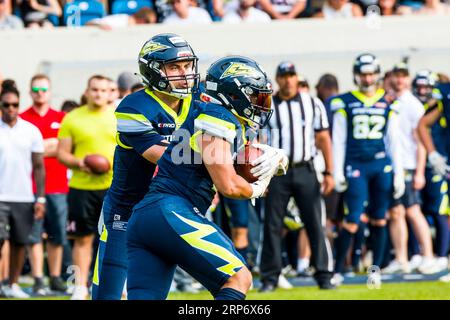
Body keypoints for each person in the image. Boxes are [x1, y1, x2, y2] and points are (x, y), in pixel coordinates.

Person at [126, 55, 288, 300]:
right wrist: (257, 188)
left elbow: (238, 160)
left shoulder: (212, 114)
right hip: (172, 210)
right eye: (255, 95)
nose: (260, 103)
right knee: (238, 277)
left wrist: (275, 159)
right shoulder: (216, 116)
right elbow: (229, 185)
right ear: (234, 94)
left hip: (149, 217)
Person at [92, 33, 201, 300]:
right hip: (125, 213)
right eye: (174, 67)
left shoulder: (198, 100)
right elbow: (163, 157)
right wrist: (221, 161)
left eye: (187, 66)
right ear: (152, 70)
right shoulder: (133, 106)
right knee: (109, 294)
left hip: (165, 213)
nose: (183, 73)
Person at [259, 61, 335, 292]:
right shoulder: (267, 105)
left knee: (314, 222)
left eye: (292, 75)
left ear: (296, 77)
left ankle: (324, 275)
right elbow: (260, 141)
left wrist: (330, 172)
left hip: (305, 168)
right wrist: (260, 176)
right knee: (272, 224)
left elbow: (323, 139)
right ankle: (270, 277)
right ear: (278, 79)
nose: (288, 80)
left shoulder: (312, 103)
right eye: (284, 76)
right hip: (277, 171)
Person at [331, 53, 405, 282]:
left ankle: (375, 271)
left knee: (379, 218)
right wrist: (337, 170)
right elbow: (339, 139)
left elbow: (394, 140)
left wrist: (399, 173)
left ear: (378, 74)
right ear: (356, 75)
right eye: (363, 73)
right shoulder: (345, 101)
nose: (367, 77)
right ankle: (339, 270)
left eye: (371, 73)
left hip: (380, 165)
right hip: (356, 166)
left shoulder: (390, 102)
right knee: (352, 219)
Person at [57, 75, 117, 300]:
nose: (99, 94)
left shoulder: (118, 116)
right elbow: (62, 154)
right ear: (87, 91)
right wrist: (80, 163)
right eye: (94, 89)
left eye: (103, 90)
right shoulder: (73, 118)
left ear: (109, 92)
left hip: (114, 187)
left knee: (115, 237)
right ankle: (80, 286)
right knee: (82, 238)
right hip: (81, 187)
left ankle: (116, 284)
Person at [382, 64, 436, 275]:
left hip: (408, 165)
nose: (399, 80)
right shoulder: (391, 101)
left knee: (413, 211)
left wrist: (420, 171)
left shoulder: (413, 105)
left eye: (403, 77)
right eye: (396, 76)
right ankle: (402, 257)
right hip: (393, 164)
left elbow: (421, 140)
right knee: (396, 212)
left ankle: (429, 255)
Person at [20, 74, 69, 294]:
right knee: (34, 235)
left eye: (44, 90)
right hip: (29, 187)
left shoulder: (62, 118)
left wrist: (38, 148)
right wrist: (50, 146)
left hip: (58, 185)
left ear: (50, 92)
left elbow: (64, 147)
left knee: (57, 235)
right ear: (30, 92)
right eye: (36, 90)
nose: (40, 94)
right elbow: (21, 151)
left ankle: (56, 278)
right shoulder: (21, 119)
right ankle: (39, 279)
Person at [0, 85, 46, 298]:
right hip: (1, 196)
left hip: (23, 196)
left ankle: (13, 284)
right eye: (6, 104)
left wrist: (41, 198)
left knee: (20, 242)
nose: (11, 108)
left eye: (14, 105)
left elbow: (39, 167)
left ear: (19, 105)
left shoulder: (31, 131)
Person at [414, 70, 449, 273]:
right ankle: (442, 256)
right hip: (443, 160)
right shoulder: (442, 98)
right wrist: (433, 154)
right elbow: (422, 125)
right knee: (439, 210)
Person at [86, 7, 157, 30]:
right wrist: (100, 26)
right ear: (143, 20)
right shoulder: (121, 19)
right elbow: (89, 23)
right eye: (148, 23)